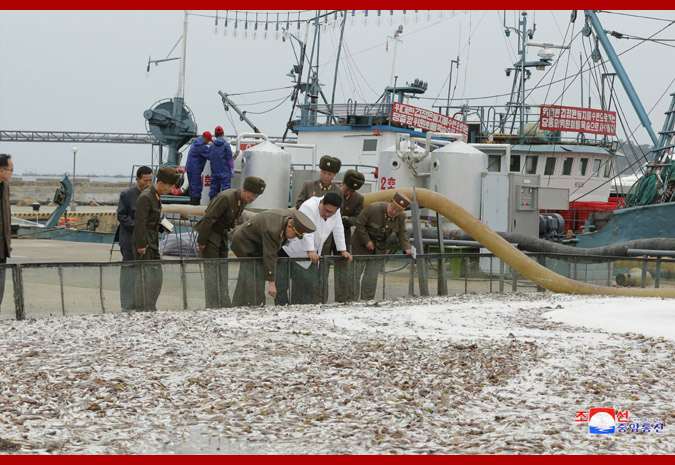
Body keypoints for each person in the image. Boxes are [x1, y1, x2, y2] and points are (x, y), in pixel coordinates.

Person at [196, 176, 266, 309]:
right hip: (210, 236)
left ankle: (223, 302)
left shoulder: (241, 200)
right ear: (245, 190)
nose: (253, 198)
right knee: (212, 272)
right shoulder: (226, 197)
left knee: (222, 270)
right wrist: (202, 241)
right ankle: (212, 304)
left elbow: (230, 219)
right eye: (252, 195)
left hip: (222, 236)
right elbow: (208, 219)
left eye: (257, 196)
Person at [276, 191, 352, 305]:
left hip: (310, 254)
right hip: (291, 249)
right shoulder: (309, 206)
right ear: (321, 202)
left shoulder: (334, 212)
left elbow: (338, 229)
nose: (327, 214)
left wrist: (343, 250)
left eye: (331, 213)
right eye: (325, 211)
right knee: (282, 284)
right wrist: (310, 250)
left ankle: (300, 308)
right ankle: (281, 308)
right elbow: (307, 230)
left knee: (306, 284)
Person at [230, 209, 315, 307]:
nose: (294, 237)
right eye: (295, 234)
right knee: (254, 273)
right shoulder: (273, 229)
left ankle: (245, 303)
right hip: (245, 242)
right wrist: (272, 284)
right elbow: (269, 255)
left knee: (251, 274)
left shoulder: (288, 219)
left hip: (257, 243)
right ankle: (254, 304)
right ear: (289, 226)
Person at [132, 166, 181, 311]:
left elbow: (152, 220)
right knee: (144, 277)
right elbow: (140, 223)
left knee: (156, 277)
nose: (171, 189)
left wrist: (163, 226)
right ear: (161, 182)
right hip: (145, 243)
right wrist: (141, 246)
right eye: (170, 186)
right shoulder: (146, 197)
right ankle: (142, 307)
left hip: (152, 240)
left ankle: (150, 305)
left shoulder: (155, 197)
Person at [351, 192, 413, 301]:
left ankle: (367, 300)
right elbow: (359, 224)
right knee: (356, 274)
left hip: (378, 248)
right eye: (392, 208)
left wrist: (407, 248)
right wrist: (367, 241)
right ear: (389, 202)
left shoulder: (401, 217)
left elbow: (402, 232)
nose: (394, 212)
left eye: (398, 211)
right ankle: (352, 299)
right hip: (360, 245)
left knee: (371, 276)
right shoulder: (373, 208)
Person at [116, 165, 154, 311]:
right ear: (137, 179)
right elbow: (121, 215)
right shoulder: (127, 195)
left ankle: (142, 304)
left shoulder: (151, 195)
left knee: (144, 274)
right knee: (128, 273)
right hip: (128, 241)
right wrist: (138, 226)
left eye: (151, 180)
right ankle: (127, 305)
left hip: (146, 240)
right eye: (145, 181)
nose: (148, 184)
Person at [334, 170, 365, 302]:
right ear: (342, 183)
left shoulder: (358, 199)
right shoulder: (333, 192)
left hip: (343, 235)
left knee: (342, 268)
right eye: (347, 189)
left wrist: (347, 219)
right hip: (327, 235)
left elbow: (358, 218)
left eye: (352, 191)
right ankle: (320, 298)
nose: (348, 193)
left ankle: (341, 299)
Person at [0, 154, 14, 309]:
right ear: (1, 170)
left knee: (0, 287)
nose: (11, 173)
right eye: (11, 170)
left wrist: (8, 241)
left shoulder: (5, 188)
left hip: (2, 247)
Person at [185, 131, 213, 206]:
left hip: (190, 168)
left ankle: (191, 206)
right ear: (205, 138)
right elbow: (210, 156)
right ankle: (195, 207)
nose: (208, 143)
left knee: (192, 189)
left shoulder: (197, 141)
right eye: (208, 140)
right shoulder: (201, 146)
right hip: (195, 169)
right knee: (197, 188)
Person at [207, 126, 234, 201]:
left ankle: (212, 207)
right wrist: (231, 169)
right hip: (225, 172)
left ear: (215, 135)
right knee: (226, 191)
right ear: (223, 134)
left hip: (215, 172)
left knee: (213, 190)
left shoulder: (211, 146)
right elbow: (229, 158)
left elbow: (208, 156)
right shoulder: (226, 145)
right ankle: (225, 208)